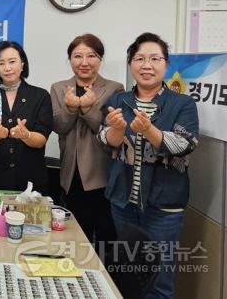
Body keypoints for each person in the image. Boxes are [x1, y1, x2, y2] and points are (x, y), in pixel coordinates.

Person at [98, 32, 199, 299]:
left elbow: (185, 144)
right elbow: (105, 140)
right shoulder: (119, 100)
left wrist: (150, 130)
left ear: (166, 65)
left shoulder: (182, 103)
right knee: (127, 275)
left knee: (159, 282)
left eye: (155, 58)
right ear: (131, 64)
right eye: (140, 58)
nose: (147, 65)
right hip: (123, 203)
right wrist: (117, 130)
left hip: (163, 206)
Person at [50, 33, 124, 247]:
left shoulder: (114, 88)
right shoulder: (58, 87)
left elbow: (109, 131)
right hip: (71, 173)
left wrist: (87, 108)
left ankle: (106, 278)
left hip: (101, 173)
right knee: (74, 237)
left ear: (100, 59)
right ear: (70, 59)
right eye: (77, 56)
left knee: (105, 237)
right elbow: (60, 127)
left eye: (91, 56)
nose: (84, 62)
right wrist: (72, 108)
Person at [0, 41, 53, 199]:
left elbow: (41, 139)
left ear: (22, 64)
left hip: (30, 181)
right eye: (1, 63)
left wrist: (27, 135)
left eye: (12, 61)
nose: (7, 68)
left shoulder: (40, 96)